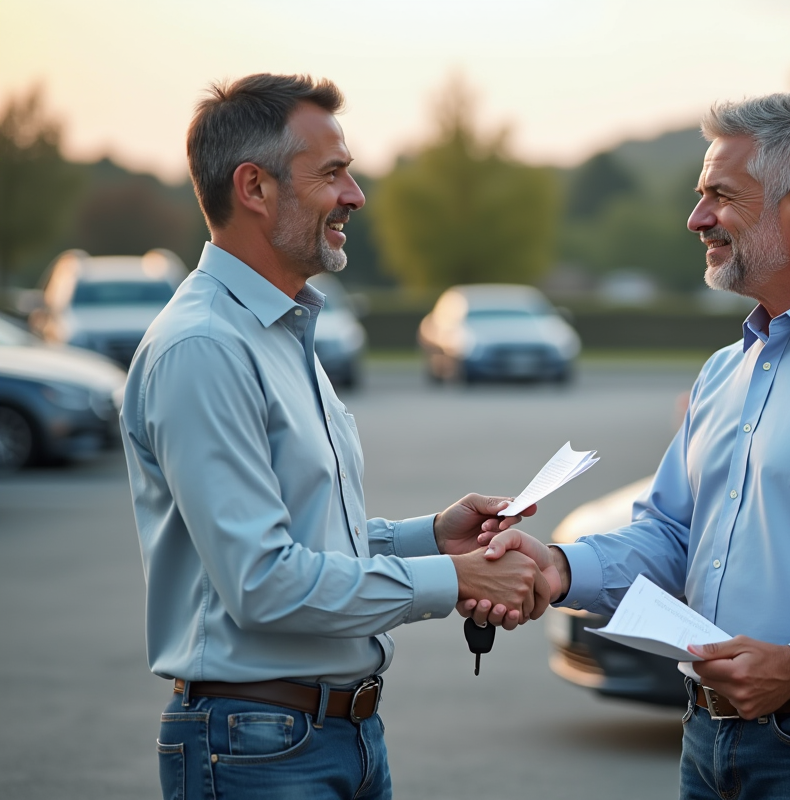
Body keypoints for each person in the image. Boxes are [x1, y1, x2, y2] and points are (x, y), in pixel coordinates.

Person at [469, 91, 790, 799]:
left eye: (720, 195)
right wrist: (560, 568)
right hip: (707, 740)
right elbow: (670, 535)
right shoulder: (725, 371)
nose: (697, 218)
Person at [120, 73, 552, 800]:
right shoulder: (205, 348)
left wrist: (431, 539)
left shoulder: (276, 332)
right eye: (332, 174)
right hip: (256, 748)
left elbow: (308, 544)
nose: (355, 195)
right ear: (255, 188)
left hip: (332, 736)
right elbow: (263, 584)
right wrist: (457, 580)